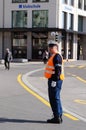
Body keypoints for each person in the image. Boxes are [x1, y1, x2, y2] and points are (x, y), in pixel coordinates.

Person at [44, 40, 65, 124]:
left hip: (55, 80)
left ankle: (57, 117)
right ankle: (58, 115)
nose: (50, 49)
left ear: (55, 47)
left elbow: (58, 70)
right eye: (49, 47)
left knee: (54, 98)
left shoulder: (56, 56)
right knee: (56, 97)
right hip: (55, 79)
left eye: (51, 47)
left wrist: (55, 81)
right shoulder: (55, 56)